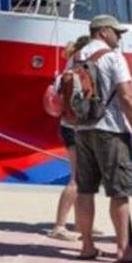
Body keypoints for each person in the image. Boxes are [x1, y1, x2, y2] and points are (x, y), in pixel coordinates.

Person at [74, 15, 132, 263]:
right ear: (103, 32)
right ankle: (124, 250)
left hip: (82, 128)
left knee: (85, 190)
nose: (120, 37)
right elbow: (127, 97)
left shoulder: (76, 57)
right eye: (117, 32)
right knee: (119, 192)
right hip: (111, 130)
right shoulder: (114, 57)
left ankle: (86, 245)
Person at [47, 36, 92, 241]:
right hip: (77, 129)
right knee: (76, 178)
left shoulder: (66, 72)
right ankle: (59, 225)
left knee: (80, 177)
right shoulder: (83, 72)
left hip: (65, 125)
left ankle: (78, 222)